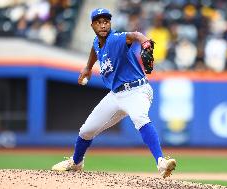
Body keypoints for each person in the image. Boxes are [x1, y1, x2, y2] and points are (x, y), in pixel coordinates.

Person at [52, 8, 176, 178]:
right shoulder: (97, 42)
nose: (103, 25)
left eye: (106, 21)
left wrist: (145, 42)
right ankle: (76, 163)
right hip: (115, 95)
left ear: (110, 23)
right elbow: (95, 50)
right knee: (86, 131)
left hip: (137, 90)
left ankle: (161, 162)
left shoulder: (116, 38)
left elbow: (135, 35)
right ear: (92, 25)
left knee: (140, 118)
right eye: (98, 22)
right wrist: (88, 67)